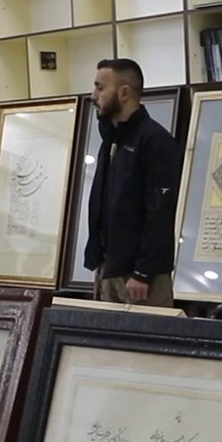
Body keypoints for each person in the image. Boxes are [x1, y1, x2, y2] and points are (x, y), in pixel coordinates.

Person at [83, 58, 181, 305]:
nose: (93, 95)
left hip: (141, 278)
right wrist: (99, 263)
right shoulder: (111, 139)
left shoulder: (155, 141)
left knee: (149, 331)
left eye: (100, 87)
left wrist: (143, 271)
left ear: (124, 93)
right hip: (110, 269)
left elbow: (160, 212)